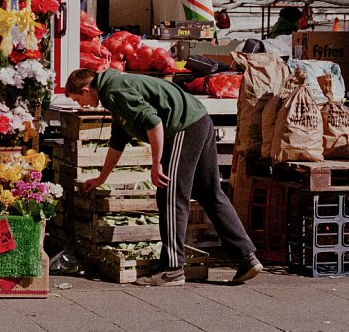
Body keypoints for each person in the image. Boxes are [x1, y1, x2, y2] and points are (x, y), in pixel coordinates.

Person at [64, 67, 262, 286]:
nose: (81, 105)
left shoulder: (114, 90)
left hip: (183, 126)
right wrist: (102, 177)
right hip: (199, 119)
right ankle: (247, 258)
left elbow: (154, 123)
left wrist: (156, 164)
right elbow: (118, 140)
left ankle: (173, 269)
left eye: (78, 99)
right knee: (209, 193)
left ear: (85, 89)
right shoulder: (115, 90)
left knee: (170, 195)